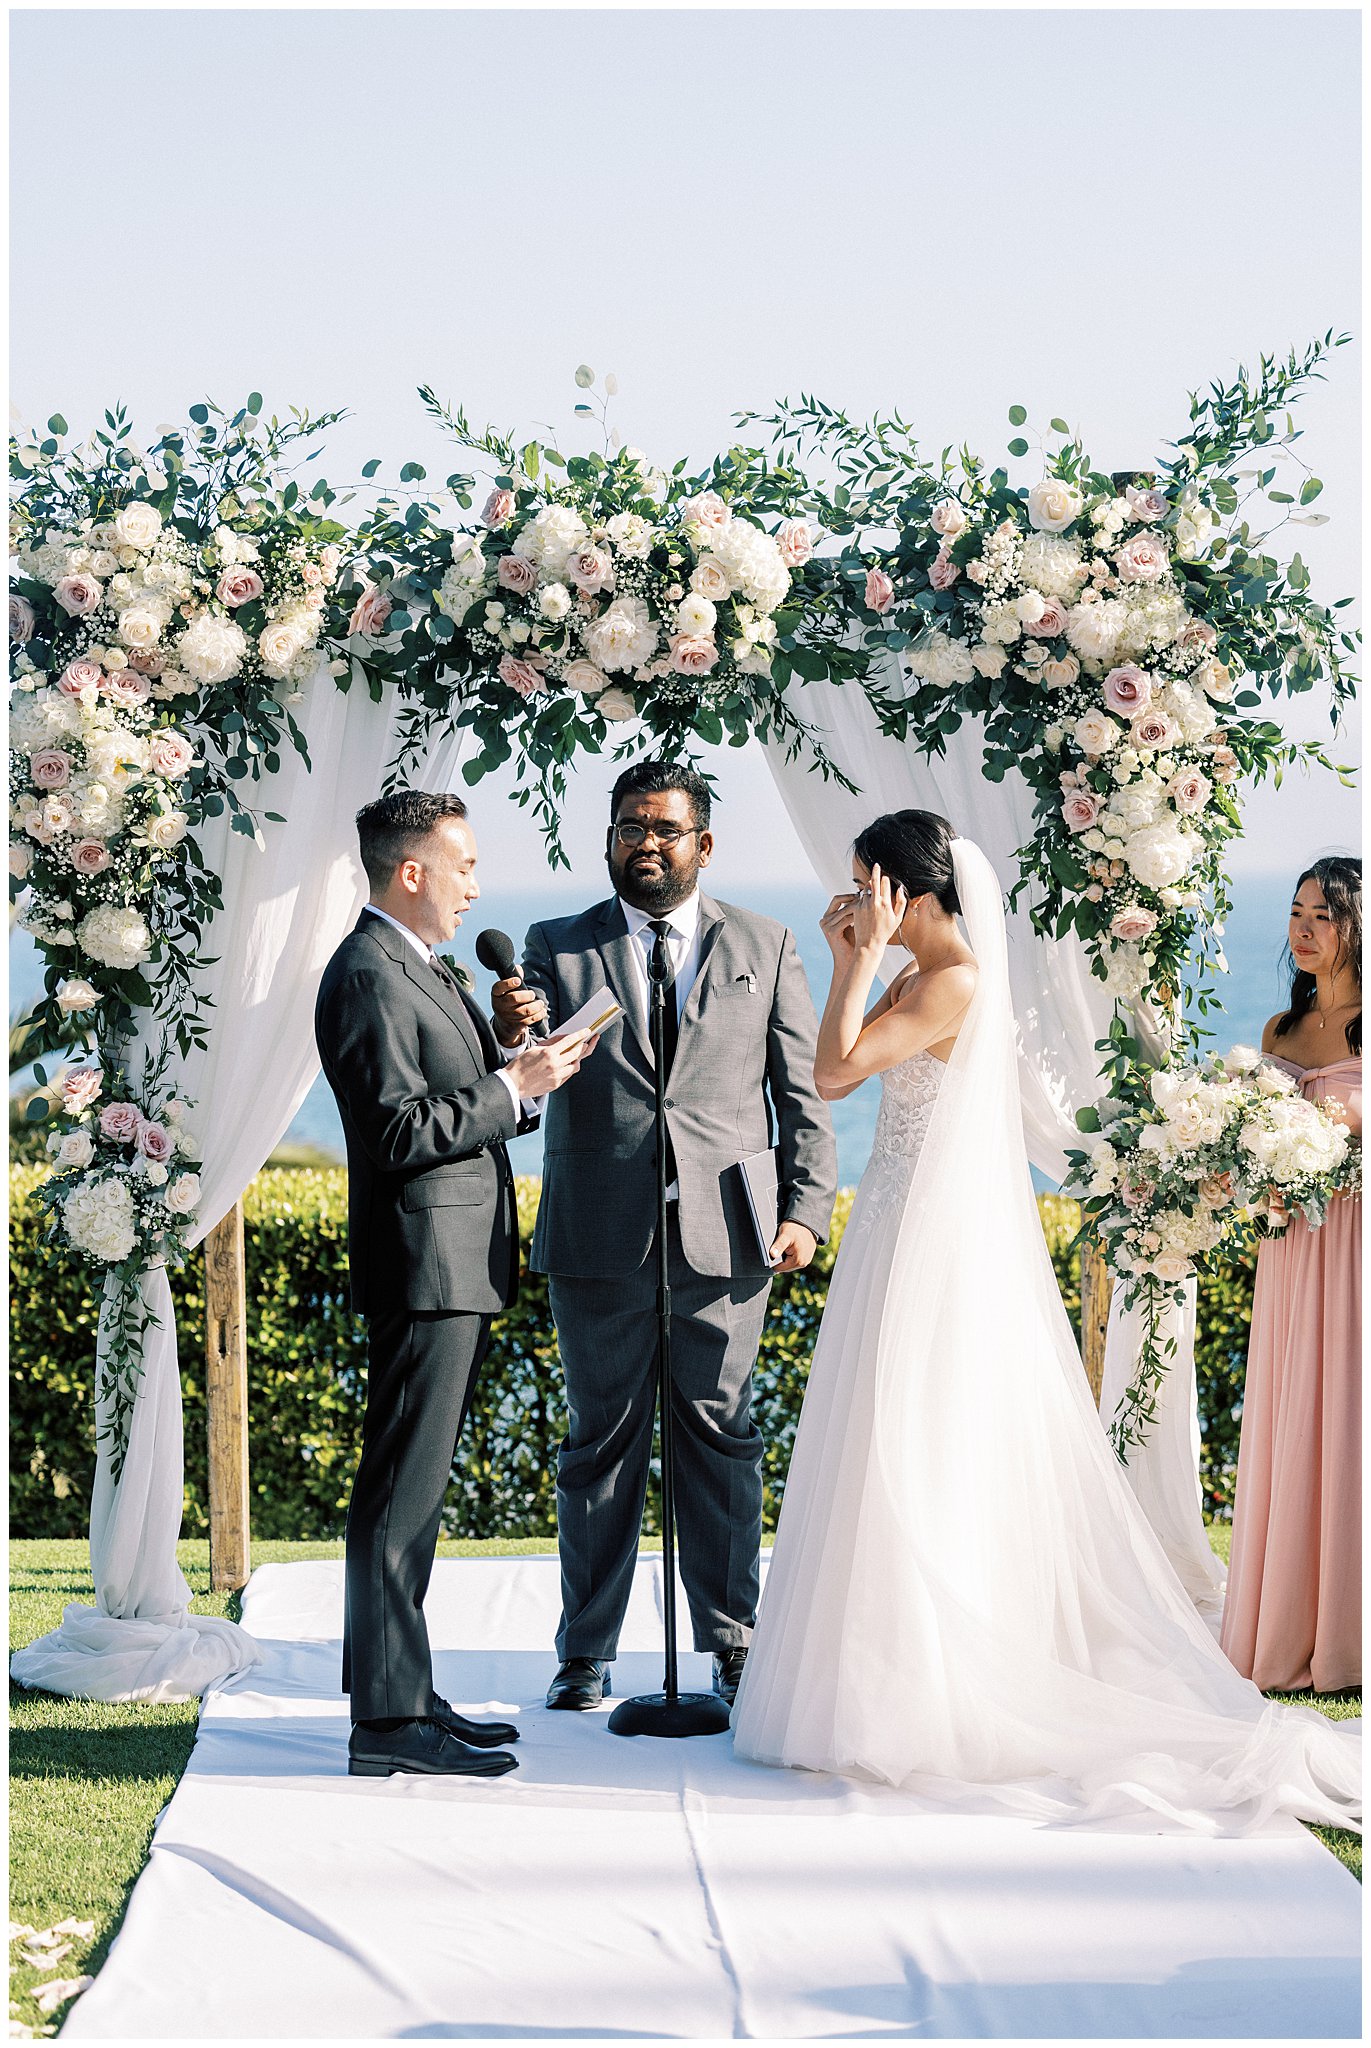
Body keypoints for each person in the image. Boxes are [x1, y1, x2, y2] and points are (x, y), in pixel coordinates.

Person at [731, 810, 1359, 1834]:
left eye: (865, 886)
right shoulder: (915, 971)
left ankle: (930, 1682)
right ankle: (876, 1666)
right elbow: (846, 1064)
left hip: (922, 1234)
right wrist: (862, 956)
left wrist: (849, 960)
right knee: (876, 1440)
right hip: (898, 1217)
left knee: (913, 1439)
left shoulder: (950, 978)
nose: (852, 902)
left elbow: (834, 1071)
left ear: (911, 894)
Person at [496, 762, 836, 1711]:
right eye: (628, 828)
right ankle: (585, 1653)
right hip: (595, 1232)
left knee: (721, 1440)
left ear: (703, 844)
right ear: (607, 838)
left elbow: (800, 1097)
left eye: (664, 829)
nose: (645, 844)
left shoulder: (763, 945)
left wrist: (805, 1211)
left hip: (728, 1238)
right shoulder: (554, 947)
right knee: (596, 1443)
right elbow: (522, 1067)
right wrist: (508, 1033)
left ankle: (732, 1643)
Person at [314, 790, 594, 1778]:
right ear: (414, 871)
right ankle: (388, 1724)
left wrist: (518, 1066)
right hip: (424, 1260)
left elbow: (450, 1103)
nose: (478, 884)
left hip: (454, 1259)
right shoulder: (365, 973)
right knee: (398, 1487)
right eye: (465, 864)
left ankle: (403, 1688)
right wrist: (517, 1087)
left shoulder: (415, 966)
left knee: (412, 1487)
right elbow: (396, 1130)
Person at [1221, 856, 1362, 1694]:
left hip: (1355, 1249)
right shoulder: (1277, 1032)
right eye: (1295, 911)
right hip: (1289, 1246)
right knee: (1293, 1412)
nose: (1302, 930)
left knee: (1352, 1411)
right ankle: (1290, 1623)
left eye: (1323, 915)